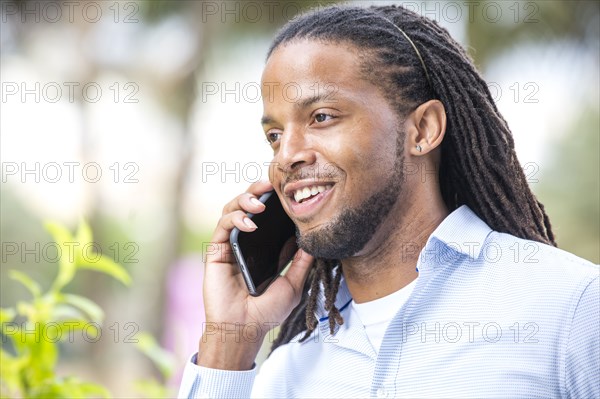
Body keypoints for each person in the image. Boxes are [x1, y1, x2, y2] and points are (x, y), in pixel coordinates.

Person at [179, 4, 599, 398]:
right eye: (274, 136)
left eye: (321, 117)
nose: (286, 156)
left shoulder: (571, 307)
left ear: (422, 130)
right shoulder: (286, 370)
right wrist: (228, 344)